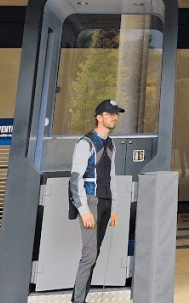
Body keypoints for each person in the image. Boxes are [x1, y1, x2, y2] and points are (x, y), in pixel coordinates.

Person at [69, 99, 121, 303]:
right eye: (109, 114)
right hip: (91, 202)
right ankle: (77, 300)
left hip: (106, 202)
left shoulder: (110, 143)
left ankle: (81, 297)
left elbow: (112, 176)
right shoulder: (86, 143)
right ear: (99, 117)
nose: (114, 117)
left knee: (95, 253)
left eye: (115, 114)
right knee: (89, 254)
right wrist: (83, 210)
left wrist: (114, 207)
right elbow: (75, 179)